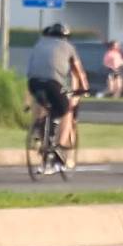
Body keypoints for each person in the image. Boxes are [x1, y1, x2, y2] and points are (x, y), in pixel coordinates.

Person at [22, 21, 86, 165]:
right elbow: (79, 72)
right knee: (65, 110)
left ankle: (41, 131)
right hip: (54, 85)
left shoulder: (39, 45)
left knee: (44, 109)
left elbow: (30, 71)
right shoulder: (68, 47)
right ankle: (57, 146)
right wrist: (85, 89)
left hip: (34, 83)